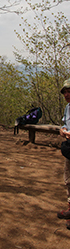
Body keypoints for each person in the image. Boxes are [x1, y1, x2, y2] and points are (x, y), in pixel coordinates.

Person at [57, 79, 70, 229]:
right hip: (69, 146)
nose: (66, 94)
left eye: (69, 91)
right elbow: (65, 123)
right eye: (64, 92)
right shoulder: (68, 107)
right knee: (68, 179)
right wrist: (62, 129)